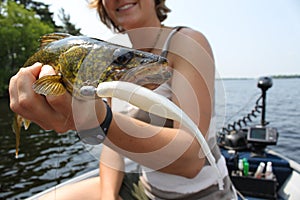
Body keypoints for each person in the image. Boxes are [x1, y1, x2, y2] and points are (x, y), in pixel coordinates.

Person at [9, 0, 237, 199]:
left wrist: (98, 121)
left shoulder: (186, 41)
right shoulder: (109, 66)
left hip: (205, 194)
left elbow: (190, 161)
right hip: (146, 190)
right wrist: (108, 196)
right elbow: (113, 150)